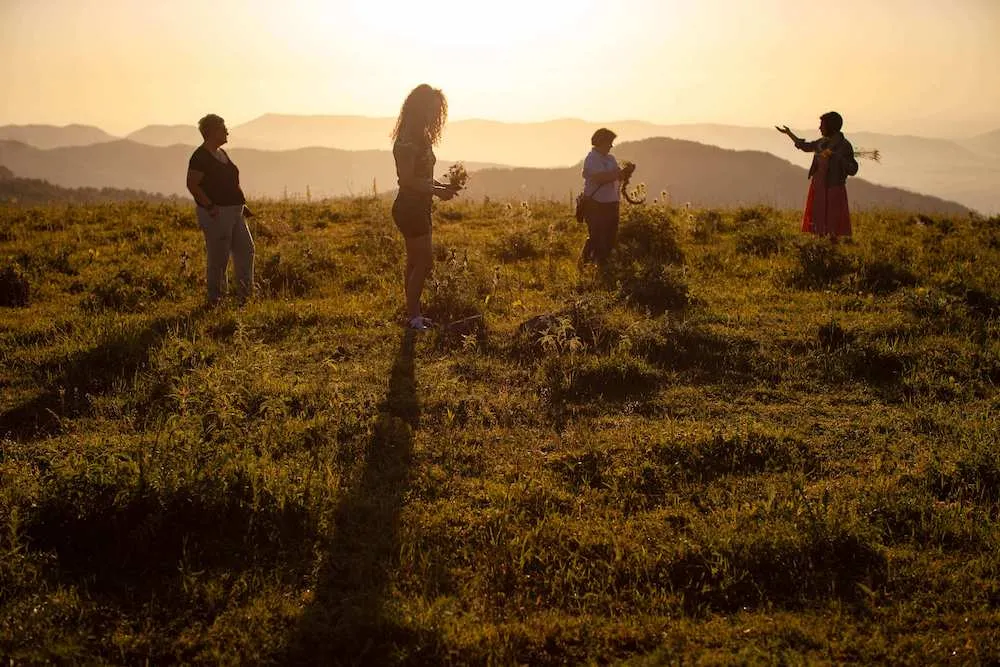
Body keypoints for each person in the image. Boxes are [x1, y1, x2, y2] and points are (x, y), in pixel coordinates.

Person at [390, 84, 459, 330]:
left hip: (419, 206)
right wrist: (436, 190)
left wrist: (442, 186)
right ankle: (413, 315)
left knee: (414, 261)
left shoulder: (420, 136)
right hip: (410, 207)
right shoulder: (408, 140)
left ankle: (412, 314)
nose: (435, 116)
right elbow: (408, 180)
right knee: (424, 262)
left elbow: (423, 177)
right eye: (431, 110)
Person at [186, 114, 255, 305]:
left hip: (235, 211)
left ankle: (245, 296)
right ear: (212, 132)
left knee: (246, 250)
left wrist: (242, 204)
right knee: (219, 257)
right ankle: (216, 299)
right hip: (217, 213)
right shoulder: (200, 157)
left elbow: (230, 182)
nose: (227, 131)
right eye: (223, 128)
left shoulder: (221, 153)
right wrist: (209, 206)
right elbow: (192, 184)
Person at [776, 111, 859, 239]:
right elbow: (804, 146)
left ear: (830, 126)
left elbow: (853, 169)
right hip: (818, 187)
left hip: (834, 188)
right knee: (818, 222)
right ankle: (820, 246)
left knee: (833, 225)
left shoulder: (844, 146)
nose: (819, 128)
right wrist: (789, 134)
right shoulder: (821, 143)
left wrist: (837, 158)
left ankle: (832, 246)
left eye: (822, 125)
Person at [580, 128, 633, 264]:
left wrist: (625, 173)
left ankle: (601, 264)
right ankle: (587, 262)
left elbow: (616, 176)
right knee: (597, 236)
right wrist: (617, 174)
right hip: (595, 204)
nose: (611, 146)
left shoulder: (611, 158)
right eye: (609, 142)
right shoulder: (592, 159)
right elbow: (600, 178)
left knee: (610, 236)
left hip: (611, 203)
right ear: (601, 142)